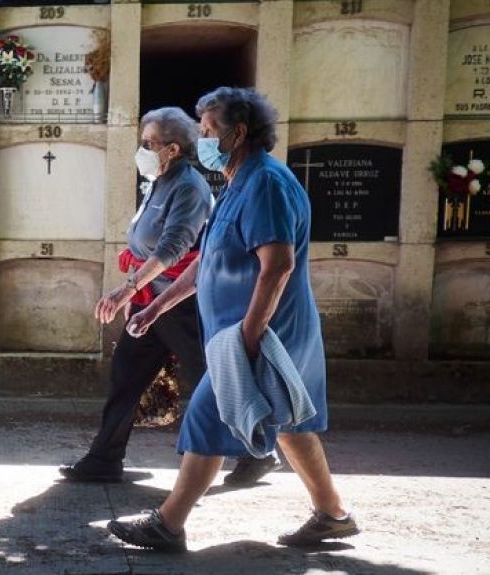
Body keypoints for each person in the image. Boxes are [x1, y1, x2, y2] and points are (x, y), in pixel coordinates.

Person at [107, 87, 359, 552]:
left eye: (207, 131)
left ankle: (168, 523)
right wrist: (156, 305)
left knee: (206, 414)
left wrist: (248, 334)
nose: (201, 139)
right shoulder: (237, 181)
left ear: (237, 132)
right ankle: (333, 515)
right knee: (292, 427)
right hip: (249, 333)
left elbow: (278, 264)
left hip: (263, 334)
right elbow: (210, 262)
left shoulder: (265, 182)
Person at [59, 107, 279, 485]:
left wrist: (128, 285)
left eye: (148, 143)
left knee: (212, 379)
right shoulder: (160, 181)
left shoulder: (189, 187)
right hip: (151, 300)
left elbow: (174, 247)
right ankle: (105, 458)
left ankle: (257, 451)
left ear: (172, 149)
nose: (142, 150)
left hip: (183, 304)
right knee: (126, 374)